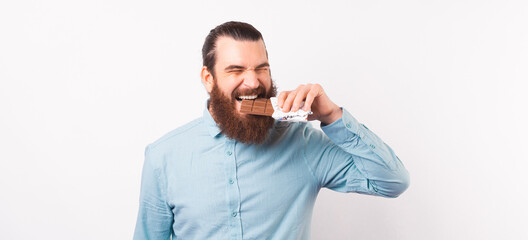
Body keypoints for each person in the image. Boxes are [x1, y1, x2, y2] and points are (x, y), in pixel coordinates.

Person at [133, 21, 410, 240]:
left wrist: (331, 115)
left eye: (261, 69)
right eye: (236, 70)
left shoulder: (301, 143)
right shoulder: (163, 158)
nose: (253, 82)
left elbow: (392, 182)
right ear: (209, 78)